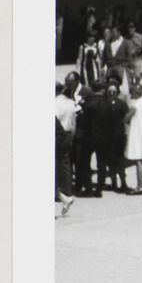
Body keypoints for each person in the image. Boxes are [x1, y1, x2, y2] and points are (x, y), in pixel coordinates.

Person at [123, 80, 142, 194]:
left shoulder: (136, 105)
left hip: (137, 134)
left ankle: (139, 186)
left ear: (138, 93)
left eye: (132, 93)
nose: (131, 95)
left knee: (139, 160)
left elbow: (126, 118)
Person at [55, 77, 78, 215]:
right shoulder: (70, 102)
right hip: (69, 134)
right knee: (65, 164)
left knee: (57, 164)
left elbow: (55, 120)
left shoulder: (55, 103)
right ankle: (66, 190)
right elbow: (74, 121)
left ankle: (60, 192)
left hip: (59, 134)